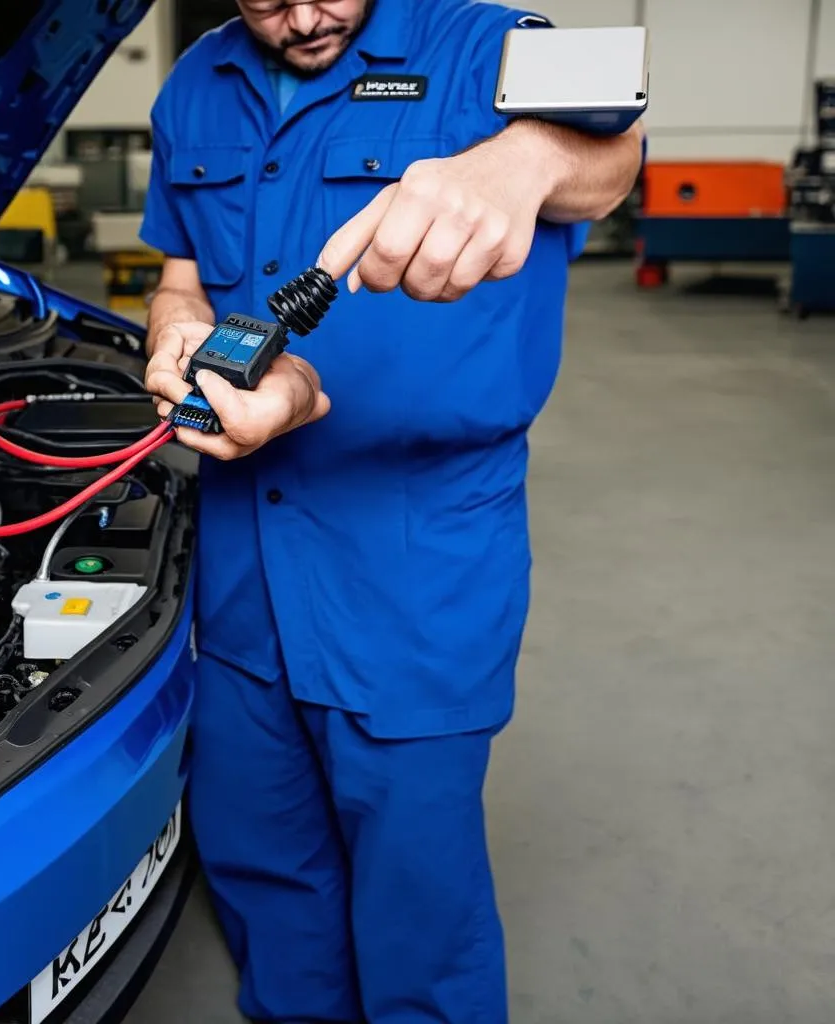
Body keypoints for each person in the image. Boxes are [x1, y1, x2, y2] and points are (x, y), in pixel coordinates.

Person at [142, 1, 644, 1020]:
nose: (305, 14)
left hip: (416, 554)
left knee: (417, 884)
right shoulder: (194, 79)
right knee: (259, 856)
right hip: (242, 552)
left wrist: (526, 157)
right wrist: (176, 332)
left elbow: (619, 150)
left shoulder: (491, 38)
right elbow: (180, 274)